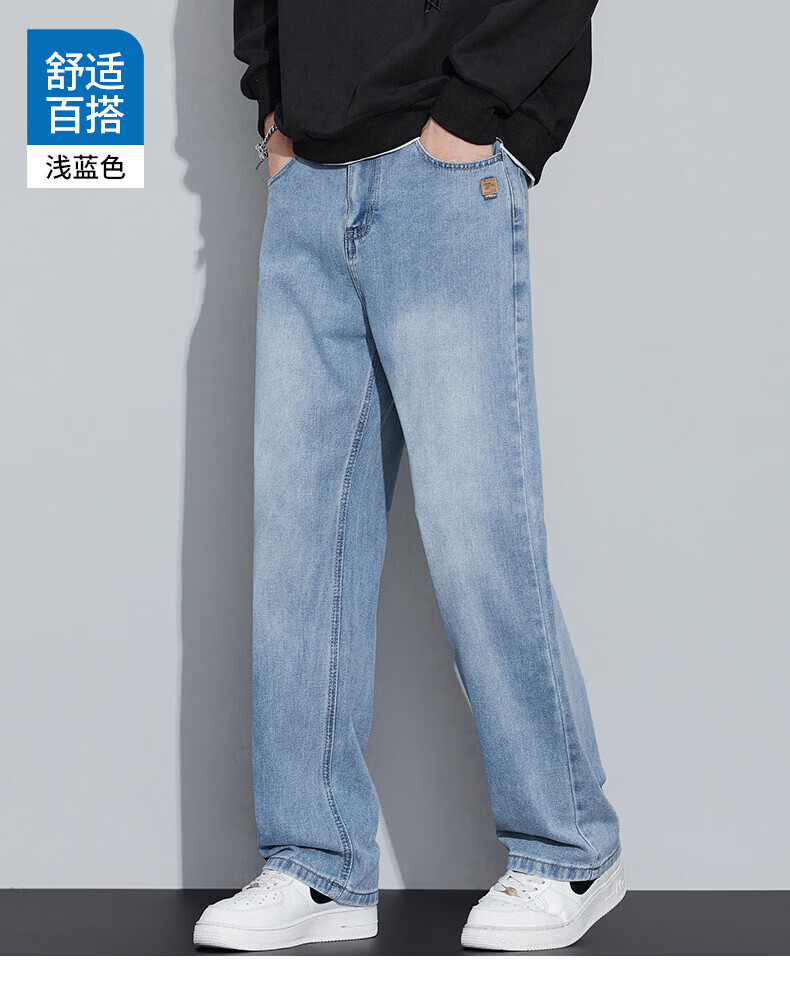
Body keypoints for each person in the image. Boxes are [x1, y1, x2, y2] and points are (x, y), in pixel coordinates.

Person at [194, 0, 623, 953]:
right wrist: (273, 107)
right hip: (310, 175)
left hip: (444, 167)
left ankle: (568, 847)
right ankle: (317, 861)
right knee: (301, 538)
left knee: (477, 527)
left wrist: (478, 113)